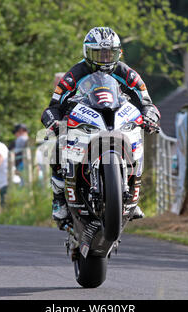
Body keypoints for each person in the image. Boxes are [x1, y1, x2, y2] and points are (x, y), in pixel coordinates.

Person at [40, 27, 161, 226]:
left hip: (117, 118)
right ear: (87, 53)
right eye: (99, 54)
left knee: (137, 139)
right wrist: (53, 121)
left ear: (118, 53)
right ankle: (59, 200)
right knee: (57, 143)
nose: (105, 59)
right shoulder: (74, 74)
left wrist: (150, 116)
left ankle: (131, 195)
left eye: (109, 54)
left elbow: (147, 101)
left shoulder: (126, 72)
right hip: (84, 119)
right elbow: (53, 105)